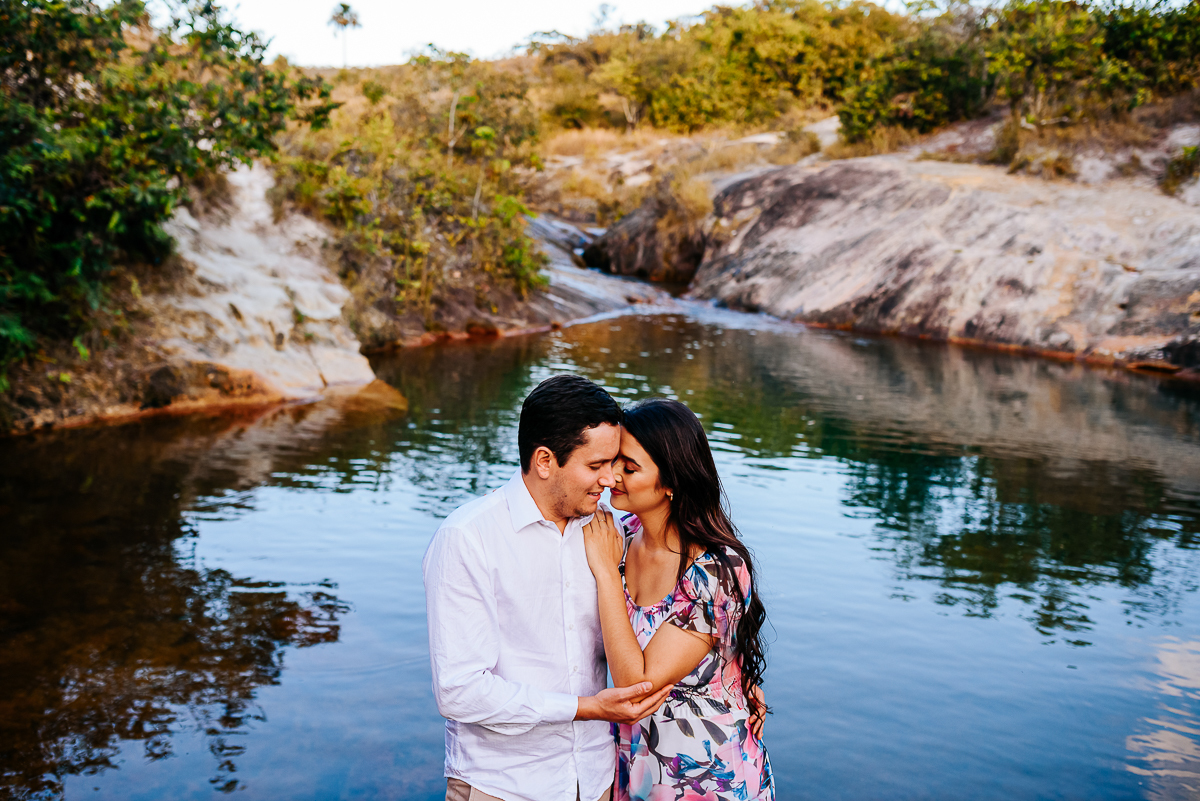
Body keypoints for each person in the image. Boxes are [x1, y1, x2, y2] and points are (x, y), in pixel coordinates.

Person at [423, 375, 675, 801]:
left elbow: (688, 588)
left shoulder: (610, 529)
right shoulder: (469, 538)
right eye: (595, 466)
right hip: (504, 784)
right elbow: (459, 690)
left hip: (595, 780)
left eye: (614, 463)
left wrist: (738, 672)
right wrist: (586, 708)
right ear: (544, 461)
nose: (611, 480)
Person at [581, 397, 774, 801]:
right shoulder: (622, 534)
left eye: (629, 468)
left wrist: (605, 574)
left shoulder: (716, 570)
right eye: (615, 460)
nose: (612, 474)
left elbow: (638, 685)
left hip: (703, 776)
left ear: (671, 482)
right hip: (632, 766)